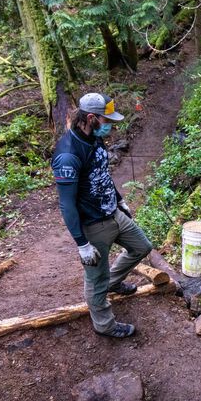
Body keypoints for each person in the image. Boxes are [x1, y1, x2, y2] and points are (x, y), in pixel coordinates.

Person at [52, 93, 152, 338]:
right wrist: (82, 244)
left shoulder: (95, 140)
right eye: (106, 120)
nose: (110, 126)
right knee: (96, 278)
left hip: (113, 213)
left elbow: (102, 176)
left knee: (142, 246)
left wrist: (120, 201)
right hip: (93, 225)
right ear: (90, 118)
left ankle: (114, 283)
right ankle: (105, 325)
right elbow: (66, 204)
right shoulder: (68, 154)